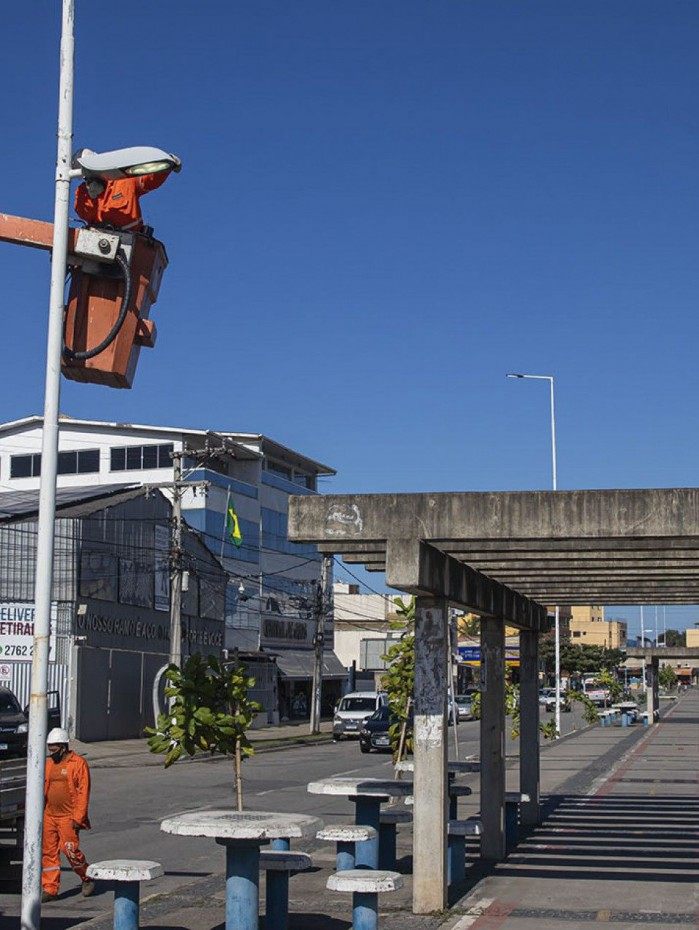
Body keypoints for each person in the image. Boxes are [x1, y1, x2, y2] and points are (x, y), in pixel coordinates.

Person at [41, 728, 95, 903]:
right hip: (50, 815)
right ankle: (50, 889)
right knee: (49, 853)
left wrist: (78, 818)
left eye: (54, 747)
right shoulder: (48, 764)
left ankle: (86, 877)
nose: (52, 751)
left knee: (70, 850)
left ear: (64, 746)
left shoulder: (78, 763)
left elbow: (82, 793)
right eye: (50, 747)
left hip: (68, 817)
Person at [74, 168, 175, 232]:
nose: (91, 183)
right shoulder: (83, 192)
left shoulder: (124, 181)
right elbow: (83, 212)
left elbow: (149, 180)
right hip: (97, 239)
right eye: (88, 180)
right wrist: (91, 197)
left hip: (130, 240)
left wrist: (165, 168)